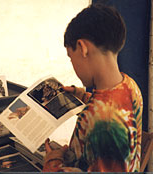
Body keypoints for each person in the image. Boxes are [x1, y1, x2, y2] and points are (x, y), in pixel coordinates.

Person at [43, 3, 143, 172]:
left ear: (82, 48)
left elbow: (105, 117)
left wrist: (53, 161)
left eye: (70, 57)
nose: (72, 64)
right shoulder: (129, 85)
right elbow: (111, 104)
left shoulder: (106, 126)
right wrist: (81, 95)